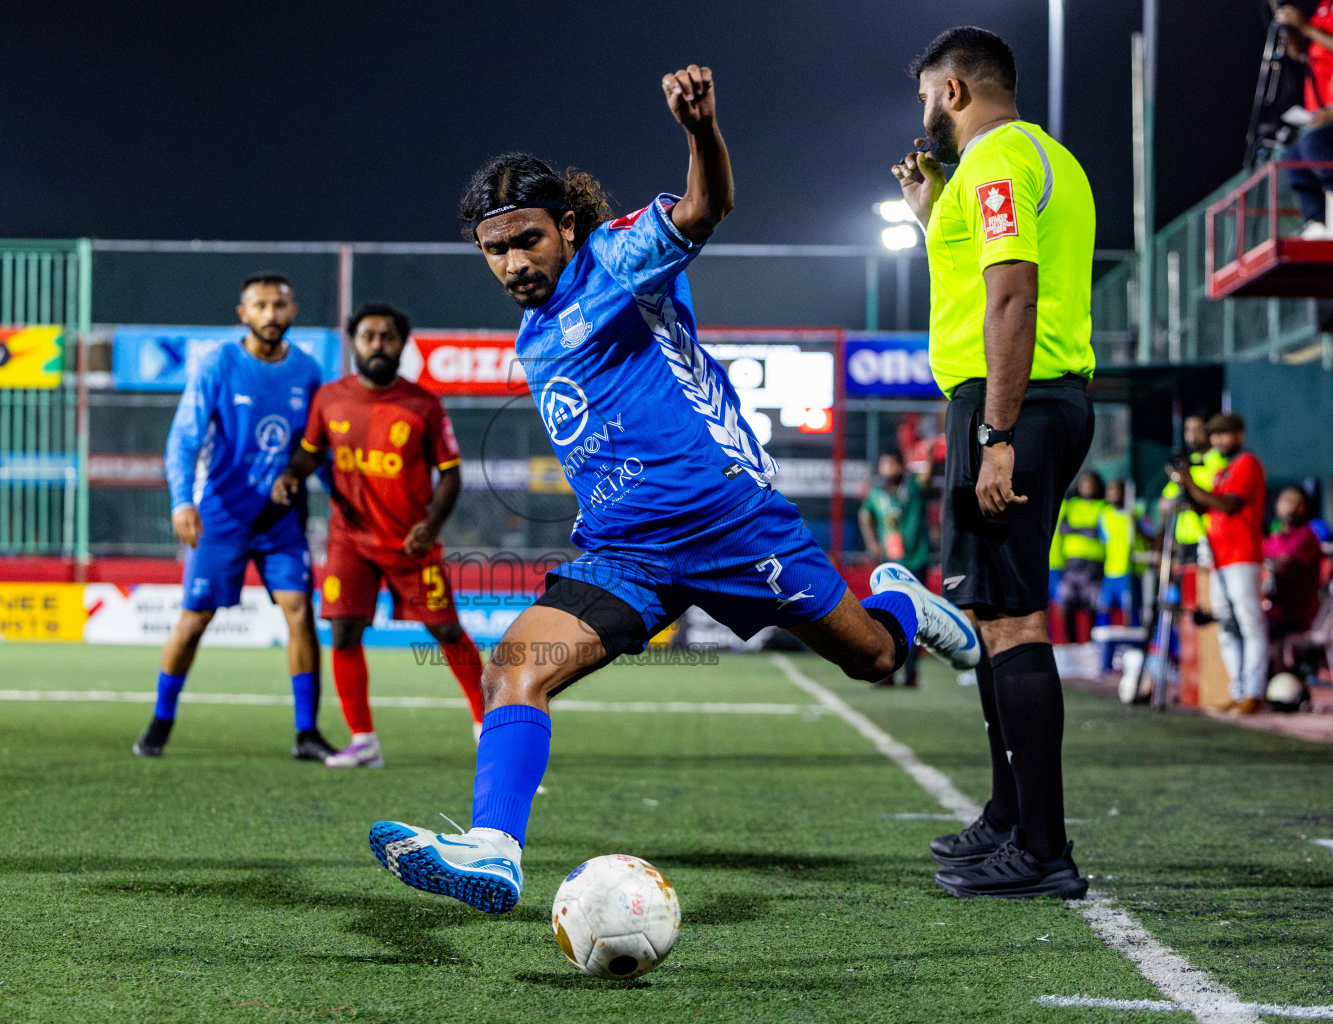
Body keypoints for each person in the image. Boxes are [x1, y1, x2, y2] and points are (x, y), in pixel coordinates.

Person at [364, 64, 980, 915]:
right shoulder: (534, 336)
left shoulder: (618, 257)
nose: (513, 262)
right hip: (626, 552)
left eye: (528, 241)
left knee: (873, 659)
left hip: (729, 521)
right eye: (496, 249)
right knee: (516, 666)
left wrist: (699, 132)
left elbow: (705, 209)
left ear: (567, 226)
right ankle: (495, 851)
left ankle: (904, 605)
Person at [893, 26, 1095, 899]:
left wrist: (997, 434)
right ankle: (1010, 820)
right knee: (990, 613)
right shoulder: (1041, 159)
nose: (924, 113)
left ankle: (1043, 849)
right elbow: (983, 273)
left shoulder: (999, 159)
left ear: (955, 91)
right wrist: (928, 208)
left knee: (1010, 620)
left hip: (1016, 403)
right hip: (1032, 398)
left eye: (927, 96)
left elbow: (1012, 295)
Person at [132, 273, 336, 760]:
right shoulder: (219, 364)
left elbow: (318, 451)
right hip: (220, 517)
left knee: (300, 613)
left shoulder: (308, 372)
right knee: (194, 619)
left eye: (279, 305)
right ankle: (161, 720)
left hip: (283, 521)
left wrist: (343, 503)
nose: (270, 314)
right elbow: (184, 438)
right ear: (242, 314)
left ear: (293, 312)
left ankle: (306, 733)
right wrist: (182, 501)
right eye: (260, 305)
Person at [272, 303, 485, 767]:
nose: (377, 345)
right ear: (353, 342)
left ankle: (485, 721)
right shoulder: (330, 398)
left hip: (411, 540)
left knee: (445, 629)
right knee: (345, 632)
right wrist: (292, 474)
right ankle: (363, 741)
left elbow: (451, 474)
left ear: (402, 343)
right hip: (350, 539)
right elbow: (310, 454)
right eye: (368, 336)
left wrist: (431, 526)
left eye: (388, 336)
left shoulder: (423, 404)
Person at [1168, 412, 1268, 715]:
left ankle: (1254, 691)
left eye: (1224, 434)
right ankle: (1238, 690)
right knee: (1226, 624)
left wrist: (1189, 481)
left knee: (1249, 623)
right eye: (1214, 436)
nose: (1218, 440)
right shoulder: (1220, 472)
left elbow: (1227, 505)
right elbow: (1203, 507)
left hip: (1243, 555)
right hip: (1218, 557)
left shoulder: (1246, 464)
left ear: (1239, 434)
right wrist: (1185, 484)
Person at [859, 449, 934, 686]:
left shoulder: (913, 488)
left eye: (892, 464)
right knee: (886, 618)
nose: (888, 469)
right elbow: (864, 516)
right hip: (888, 567)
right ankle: (887, 672)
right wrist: (871, 542)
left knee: (915, 619)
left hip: (916, 561)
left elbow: (927, 477)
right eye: (884, 465)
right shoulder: (876, 494)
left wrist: (929, 454)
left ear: (902, 466)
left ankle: (911, 674)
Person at [1274, 2, 1333, 236]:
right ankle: (1317, 222)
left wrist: (1305, 27)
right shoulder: (1323, 8)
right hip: (1319, 115)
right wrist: (1289, 27)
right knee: (1291, 158)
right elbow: (1299, 52)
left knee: (1313, 144)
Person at [1159, 414, 1224, 565]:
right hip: (1184, 539)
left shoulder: (1219, 460)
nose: (1192, 434)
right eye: (1188, 429)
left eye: (1198, 429)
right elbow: (1164, 503)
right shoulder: (1185, 462)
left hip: (1208, 536)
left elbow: (1214, 500)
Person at [1264, 485, 1324, 640]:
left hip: (1295, 616)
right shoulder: (1273, 539)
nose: (1291, 505)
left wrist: (1258, 563)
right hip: (1270, 610)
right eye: (1287, 500)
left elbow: (1286, 563)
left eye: (1296, 501)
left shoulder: (1306, 536)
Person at [1054, 471, 1107, 645]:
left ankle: (1091, 644)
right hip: (1072, 565)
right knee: (1067, 604)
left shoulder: (1103, 506)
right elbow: (1063, 527)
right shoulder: (1072, 504)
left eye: (1091, 483)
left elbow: (1097, 532)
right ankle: (1071, 644)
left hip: (1093, 565)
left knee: (1092, 606)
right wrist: (1085, 530)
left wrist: (1076, 529)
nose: (1087, 487)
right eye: (1084, 483)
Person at [1097, 479, 1140, 672]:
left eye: (1116, 490)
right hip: (1110, 574)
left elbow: (1149, 536)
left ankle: (1134, 662)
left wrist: (1135, 523)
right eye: (1110, 490)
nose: (1112, 493)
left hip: (1129, 574)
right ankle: (1104, 663)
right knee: (1104, 614)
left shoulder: (1136, 513)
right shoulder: (1104, 515)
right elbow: (1103, 540)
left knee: (1131, 619)